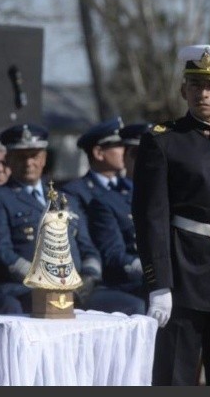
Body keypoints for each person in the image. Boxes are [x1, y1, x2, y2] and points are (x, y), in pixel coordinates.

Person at [133, 44, 210, 385]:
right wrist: (158, 283)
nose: (202, 93)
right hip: (183, 280)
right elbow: (151, 219)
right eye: (195, 85)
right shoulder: (163, 142)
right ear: (183, 90)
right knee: (175, 376)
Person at [0, 124, 102, 314]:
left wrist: (90, 277)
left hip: (77, 288)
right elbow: (0, 251)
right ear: (8, 159)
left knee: (120, 305)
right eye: (21, 157)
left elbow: (88, 247)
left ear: (44, 159)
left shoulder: (65, 199)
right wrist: (47, 279)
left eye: (33, 156)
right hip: (25, 288)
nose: (28, 163)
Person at [60, 118, 145, 315]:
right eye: (119, 146)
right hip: (105, 275)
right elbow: (83, 238)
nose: (125, 151)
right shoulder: (75, 192)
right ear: (99, 153)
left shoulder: (128, 189)